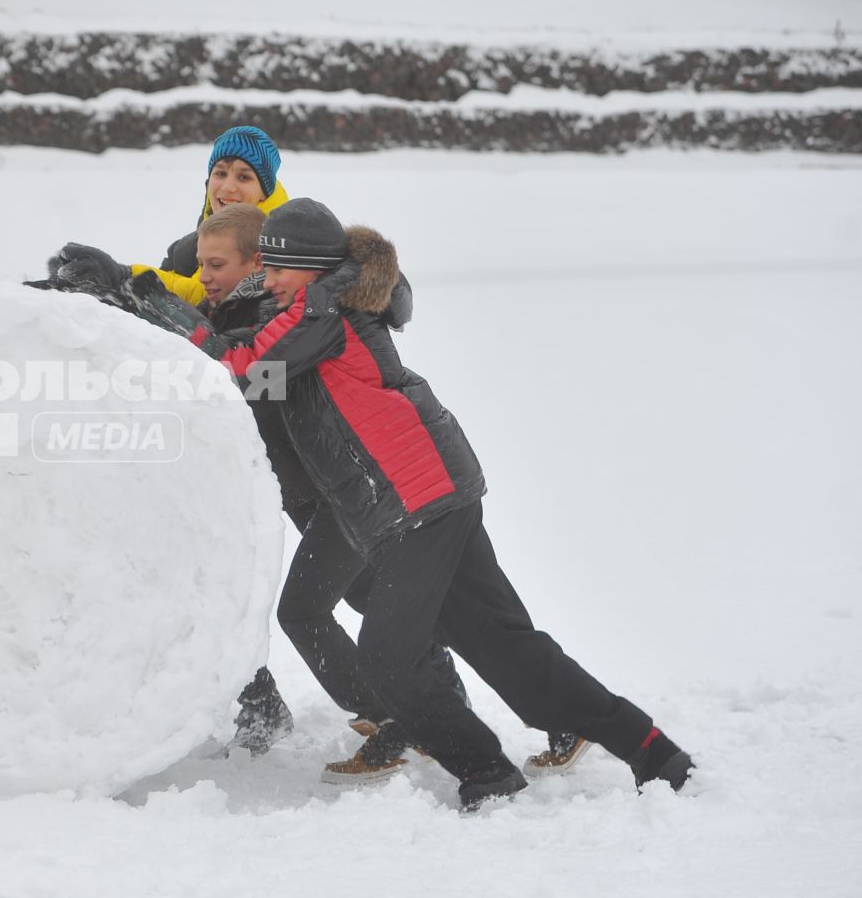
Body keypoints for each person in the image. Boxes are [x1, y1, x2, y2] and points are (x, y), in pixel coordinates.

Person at [145, 199, 695, 809]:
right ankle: (654, 753)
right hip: (429, 498)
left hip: (416, 504)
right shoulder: (307, 308)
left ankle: (487, 773)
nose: (266, 279)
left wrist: (157, 304)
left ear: (307, 267)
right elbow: (246, 349)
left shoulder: (321, 313)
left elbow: (235, 368)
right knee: (505, 648)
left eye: (277, 268)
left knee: (391, 660)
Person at [132, 125, 291, 306]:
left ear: (264, 191)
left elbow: (205, 295)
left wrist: (126, 275)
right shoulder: (187, 248)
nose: (227, 187)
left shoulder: (278, 245)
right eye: (220, 173)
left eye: (243, 177)